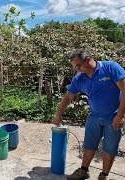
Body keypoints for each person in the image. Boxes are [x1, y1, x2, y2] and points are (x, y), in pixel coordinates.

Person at [53, 49, 125, 180]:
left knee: (109, 148)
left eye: (78, 66)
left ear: (87, 60)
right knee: (89, 145)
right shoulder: (80, 78)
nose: (76, 70)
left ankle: (104, 175)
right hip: (94, 115)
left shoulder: (111, 68)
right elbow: (68, 97)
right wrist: (58, 114)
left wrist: (120, 115)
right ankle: (84, 170)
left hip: (114, 116)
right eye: (75, 67)